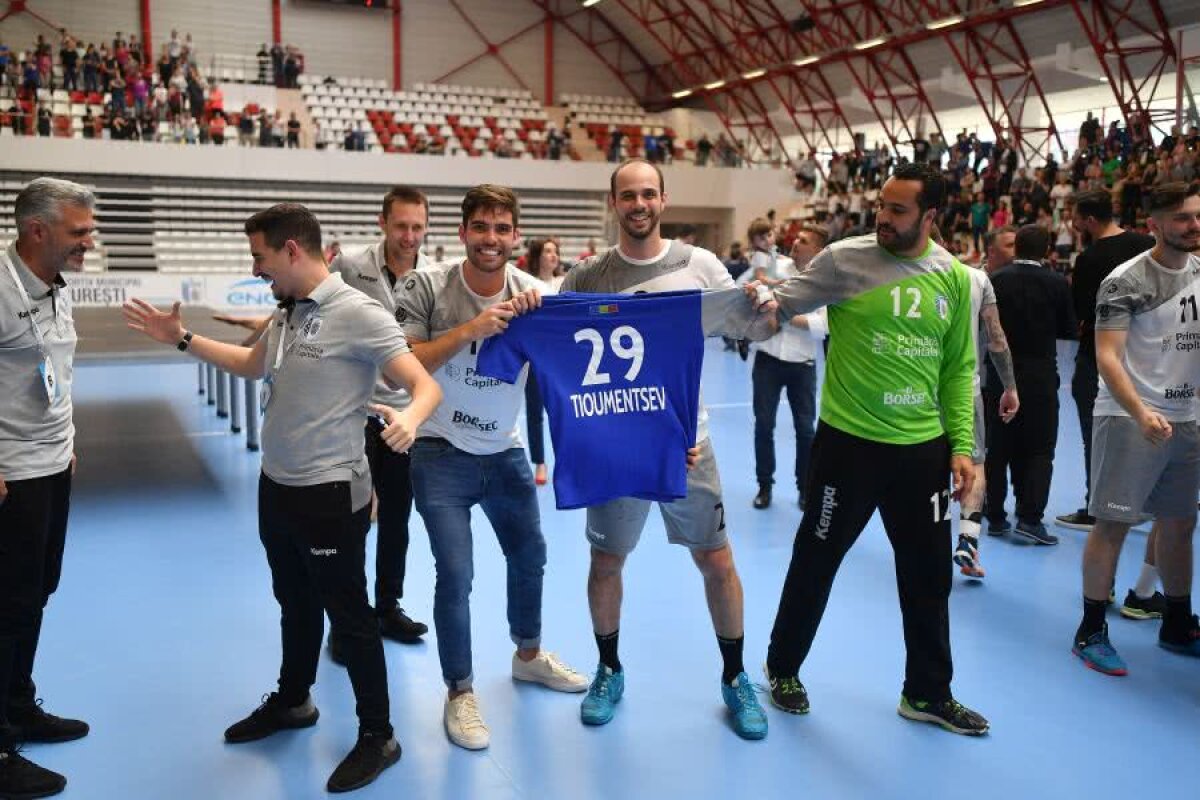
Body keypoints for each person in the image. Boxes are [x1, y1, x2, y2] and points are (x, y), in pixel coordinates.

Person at [121, 204, 442, 793]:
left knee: (350, 615)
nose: (255, 268)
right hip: (279, 486)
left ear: (293, 250)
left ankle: (379, 735)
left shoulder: (359, 313)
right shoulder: (287, 310)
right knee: (294, 604)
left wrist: (411, 420)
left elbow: (423, 385)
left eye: (260, 257)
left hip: (329, 492)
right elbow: (249, 363)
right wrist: (183, 338)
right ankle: (294, 701)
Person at [762, 162, 989, 736]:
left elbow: (959, 368)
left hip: (922, 453)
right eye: (881, 206)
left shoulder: (955, 279)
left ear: (931, 216)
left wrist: (964, 447)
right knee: (816, 559)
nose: (882, 218)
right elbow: (777, 306)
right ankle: (782, 667)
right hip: (849, 447)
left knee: (928, 576)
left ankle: (927, 693)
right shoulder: (843, 259)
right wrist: (746, 305)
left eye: (898, 210)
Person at [562, 159, 776, 740]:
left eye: (648, 194)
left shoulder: (699, 265)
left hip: (688, 445)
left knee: (717, 560)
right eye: (628, 194)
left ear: (664, 199)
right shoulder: (586, 277)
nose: (639, 204)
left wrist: (763, 306)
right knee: (607, 561)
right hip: (617, 450)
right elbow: (562, 362)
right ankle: (609, 668)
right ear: (614, 202)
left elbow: (753, 331)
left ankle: (735, 678)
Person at [394, 185, 588, 751]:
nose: (491, 239)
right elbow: (401, 365)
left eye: (502, 229)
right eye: (480, 227)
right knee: (456, 574)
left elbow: (575, 371)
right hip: (439, 450)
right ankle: (459, 692)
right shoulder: (427, 285)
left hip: (504, 451)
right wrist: (468, 332)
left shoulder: (534, 294)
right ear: (462, 233)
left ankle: (527, 656)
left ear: (515, 237)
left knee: (531, 556)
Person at [1072, 182, 1200, 676]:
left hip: (1185, 420)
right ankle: (1090, 629)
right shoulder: (1125, 280)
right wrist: (1140, 411)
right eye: (1182, 218)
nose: (1193, 225)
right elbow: (1107, 355)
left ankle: (1178, 621)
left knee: (1180, 523)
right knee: (1114, 524)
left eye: (1196, 215)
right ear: (1154, 225)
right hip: (1130, 418)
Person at [0, 178, 96, 800]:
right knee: (5, 608)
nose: (90, 241)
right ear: (38, 232)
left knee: (37, 592)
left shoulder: (55, 287)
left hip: (52, 464)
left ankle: (18, 705)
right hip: (11, 476)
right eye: (78, 232)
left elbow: (51, 370)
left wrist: (67, 443)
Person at [325, 186, 433, 660]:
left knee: (397, 518)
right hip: (355, 413)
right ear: (382, 222)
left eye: (417, 227)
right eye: (401, 226)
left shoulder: (433, 275)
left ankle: (387, 606)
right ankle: (345, 622)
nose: (409, 236)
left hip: (406, 417)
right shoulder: (348, 266)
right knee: (350, 524)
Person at [1057, 190, 1155, 531]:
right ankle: (1140, 502)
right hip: (1144, 352)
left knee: (1095, 431)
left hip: (1099, 352)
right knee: (1143, 427)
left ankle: (1097, 506)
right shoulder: (1146, 244)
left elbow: (1081, 312)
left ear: (1089, 220)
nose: (1073, 222)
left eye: (1075, 216)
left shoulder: (1090, 259)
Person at [981, 225, 1074, 550]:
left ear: (1016, 246)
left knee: (998, 443)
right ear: (1048, 249)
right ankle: (1030, 518)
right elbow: (1067, 328)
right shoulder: (1057, 282)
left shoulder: (997, 280)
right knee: (1038, 448)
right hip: (1040, 375)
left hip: (999, 372)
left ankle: (992, 514)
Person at [751, 224, 829, 510]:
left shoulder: (824, 283)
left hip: (802, 365)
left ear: (818, 250)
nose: (795, 243)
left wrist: (781, 313)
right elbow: (756, 296)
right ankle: (764, 486)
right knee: (764, 426)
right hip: (767, 360)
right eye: (796, 238)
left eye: (804, 240)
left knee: (805, 430)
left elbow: (822, 326)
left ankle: (805, 489)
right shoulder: (774, 271)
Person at [518, 238, 563, 487]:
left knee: (563, 411)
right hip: (534, 358)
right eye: (548, 251)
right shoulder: (526, 284)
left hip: (560, 359)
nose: (553, 255)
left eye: (555, 252)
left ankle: (567, 459)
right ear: (538, 256)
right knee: (535, 413)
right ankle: (540, 462)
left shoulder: (564, 283)